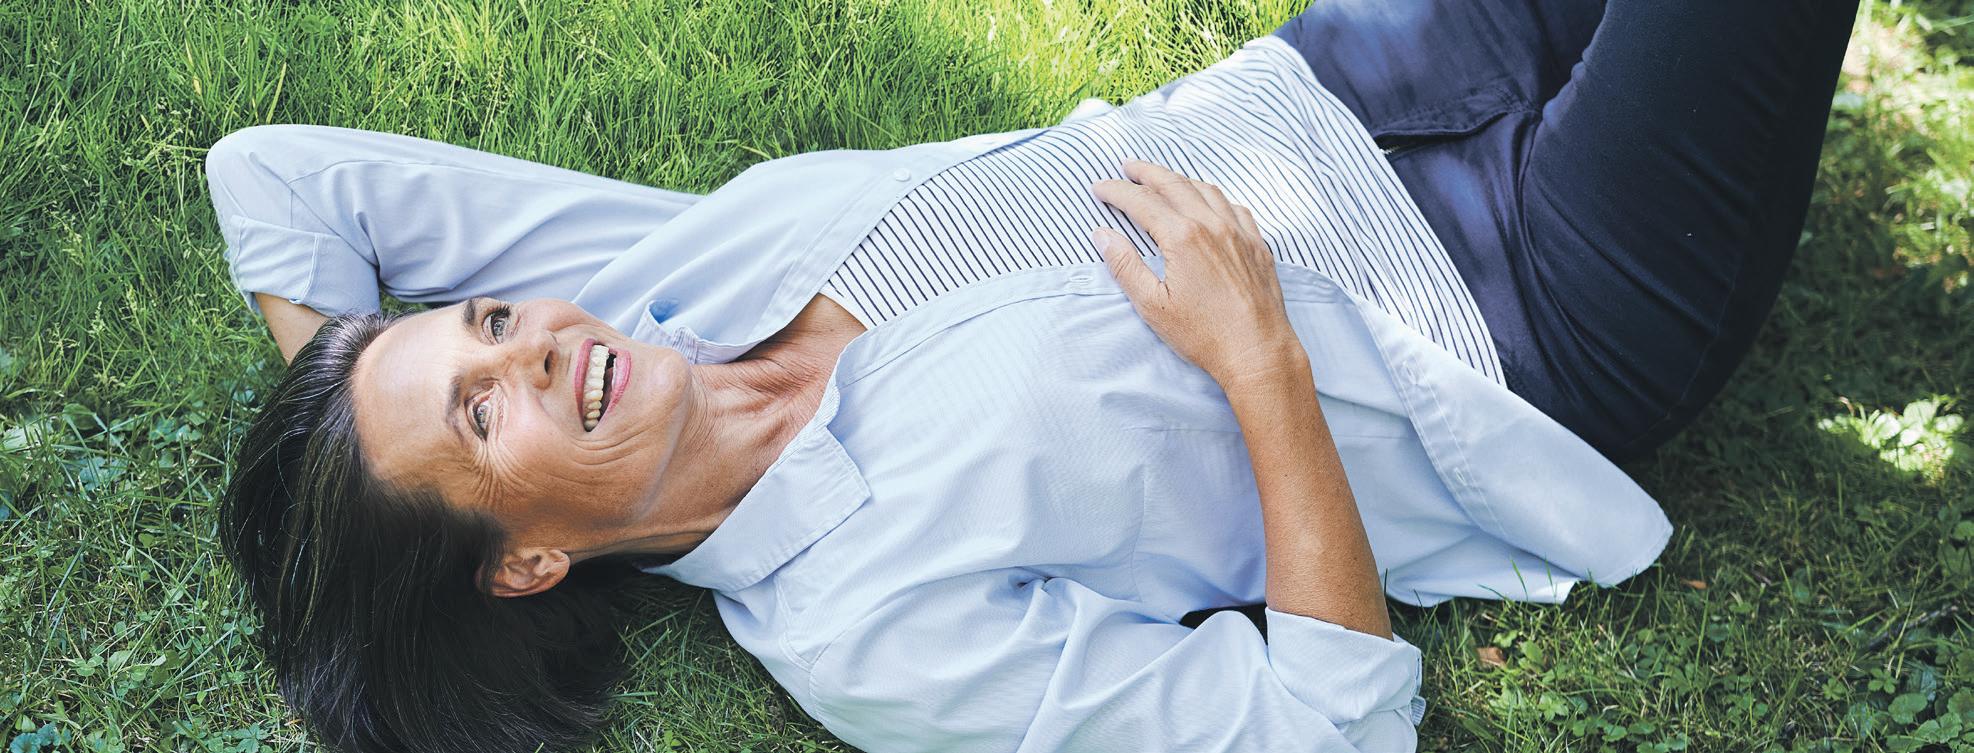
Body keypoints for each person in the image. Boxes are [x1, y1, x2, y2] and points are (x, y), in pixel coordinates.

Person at [206, 2, 1858, 752]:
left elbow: (275, 174)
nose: (534, 346)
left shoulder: (658, 287)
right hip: (1520, 312)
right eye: (480, 408)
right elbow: (1327, 730)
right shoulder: (867, 628)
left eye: (487, 321)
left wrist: (364, 408)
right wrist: (1260, 365)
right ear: (522, 565)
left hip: (1357, 70)